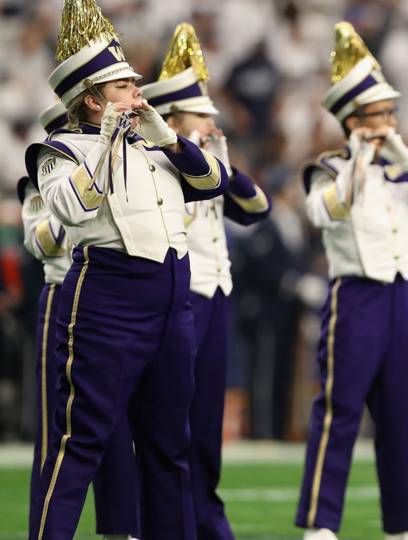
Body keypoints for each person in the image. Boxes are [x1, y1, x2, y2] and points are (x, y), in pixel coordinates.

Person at [27, 1, 228, 538]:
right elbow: (71, 209)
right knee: (81, 442)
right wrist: (110, 141)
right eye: (123, 86)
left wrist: (167, 137)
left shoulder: (156, 145)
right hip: (106, 296)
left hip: (172, 296)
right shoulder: (58, 149)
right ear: (92, 99)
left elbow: (214, 183)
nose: (137, 92)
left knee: (169, 445)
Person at [297, 21, 408, 540]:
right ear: (353, 121)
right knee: (339, 411)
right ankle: (321, 523)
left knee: (396, 416)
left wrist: (407, 160)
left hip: (399, 297)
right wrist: (362, 158)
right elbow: (326, 212)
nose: (389, 122)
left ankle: (405, 524)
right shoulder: (329, 168)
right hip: (355, 296)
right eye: (378, 115)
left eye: (391, 113)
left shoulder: (401, 169)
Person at [141, 22, 271, 540]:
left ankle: (205, 513)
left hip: (215, 293)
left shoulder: (208, 163)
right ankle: (170, 517)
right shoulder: (155, 161)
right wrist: (185, 151)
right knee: (174, 416)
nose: (212, 123)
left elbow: (255, 208)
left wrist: (216, 160)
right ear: (173, 118)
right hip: (178, 296)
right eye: (201, 115)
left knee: (208, 414)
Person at [21, 102, 141, 540]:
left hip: (106, 294)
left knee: (117, 421)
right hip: (61, 296)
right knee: (61, 428)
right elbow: (45, 245)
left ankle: (120, 527)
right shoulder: (41, 182)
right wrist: (73, 195)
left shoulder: (119, 165)